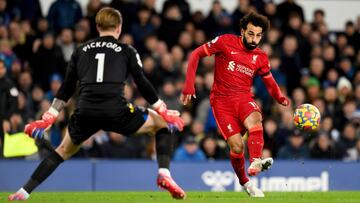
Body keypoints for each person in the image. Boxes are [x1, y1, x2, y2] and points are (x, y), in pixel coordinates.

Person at [9, 7, 185, 200]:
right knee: (162, 124)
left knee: (61, 151)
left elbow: (66, 88)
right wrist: (162, 108)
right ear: (119, 27)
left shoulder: (80, 50)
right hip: (116, 110)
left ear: (97, 27)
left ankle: (23, 192)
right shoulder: (126, 50)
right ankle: (164, 174)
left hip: (85, 111)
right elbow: (141, 82)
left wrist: (48, 117)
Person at [181, 12, 290, 197]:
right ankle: (245, 183)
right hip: (221, 102)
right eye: (250, 34)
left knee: (256, 118)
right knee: (237, 147)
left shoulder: (261, 57)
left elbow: (269, 81)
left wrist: (280, 97)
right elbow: (196, 54)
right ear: (242, 31)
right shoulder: (225, 42)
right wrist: (189, 85)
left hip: (243, 98)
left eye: (258, 35)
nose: (254, 39)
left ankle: (255, 160)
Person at [0, 59, 19, 157]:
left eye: (1, 68)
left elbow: (14, 103)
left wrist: (6, 119)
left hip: (5, 118)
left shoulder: (9, 84)